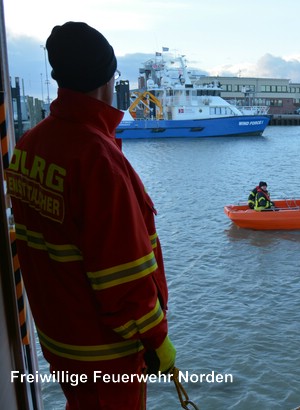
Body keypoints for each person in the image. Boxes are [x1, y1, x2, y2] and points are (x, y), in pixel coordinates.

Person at [5, 22, 175, 409]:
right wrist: (157, 339)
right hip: (106, 353)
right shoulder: (97, 160)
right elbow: (122, 276)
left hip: (61, 343)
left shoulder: (31, 144)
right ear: (108, 77)